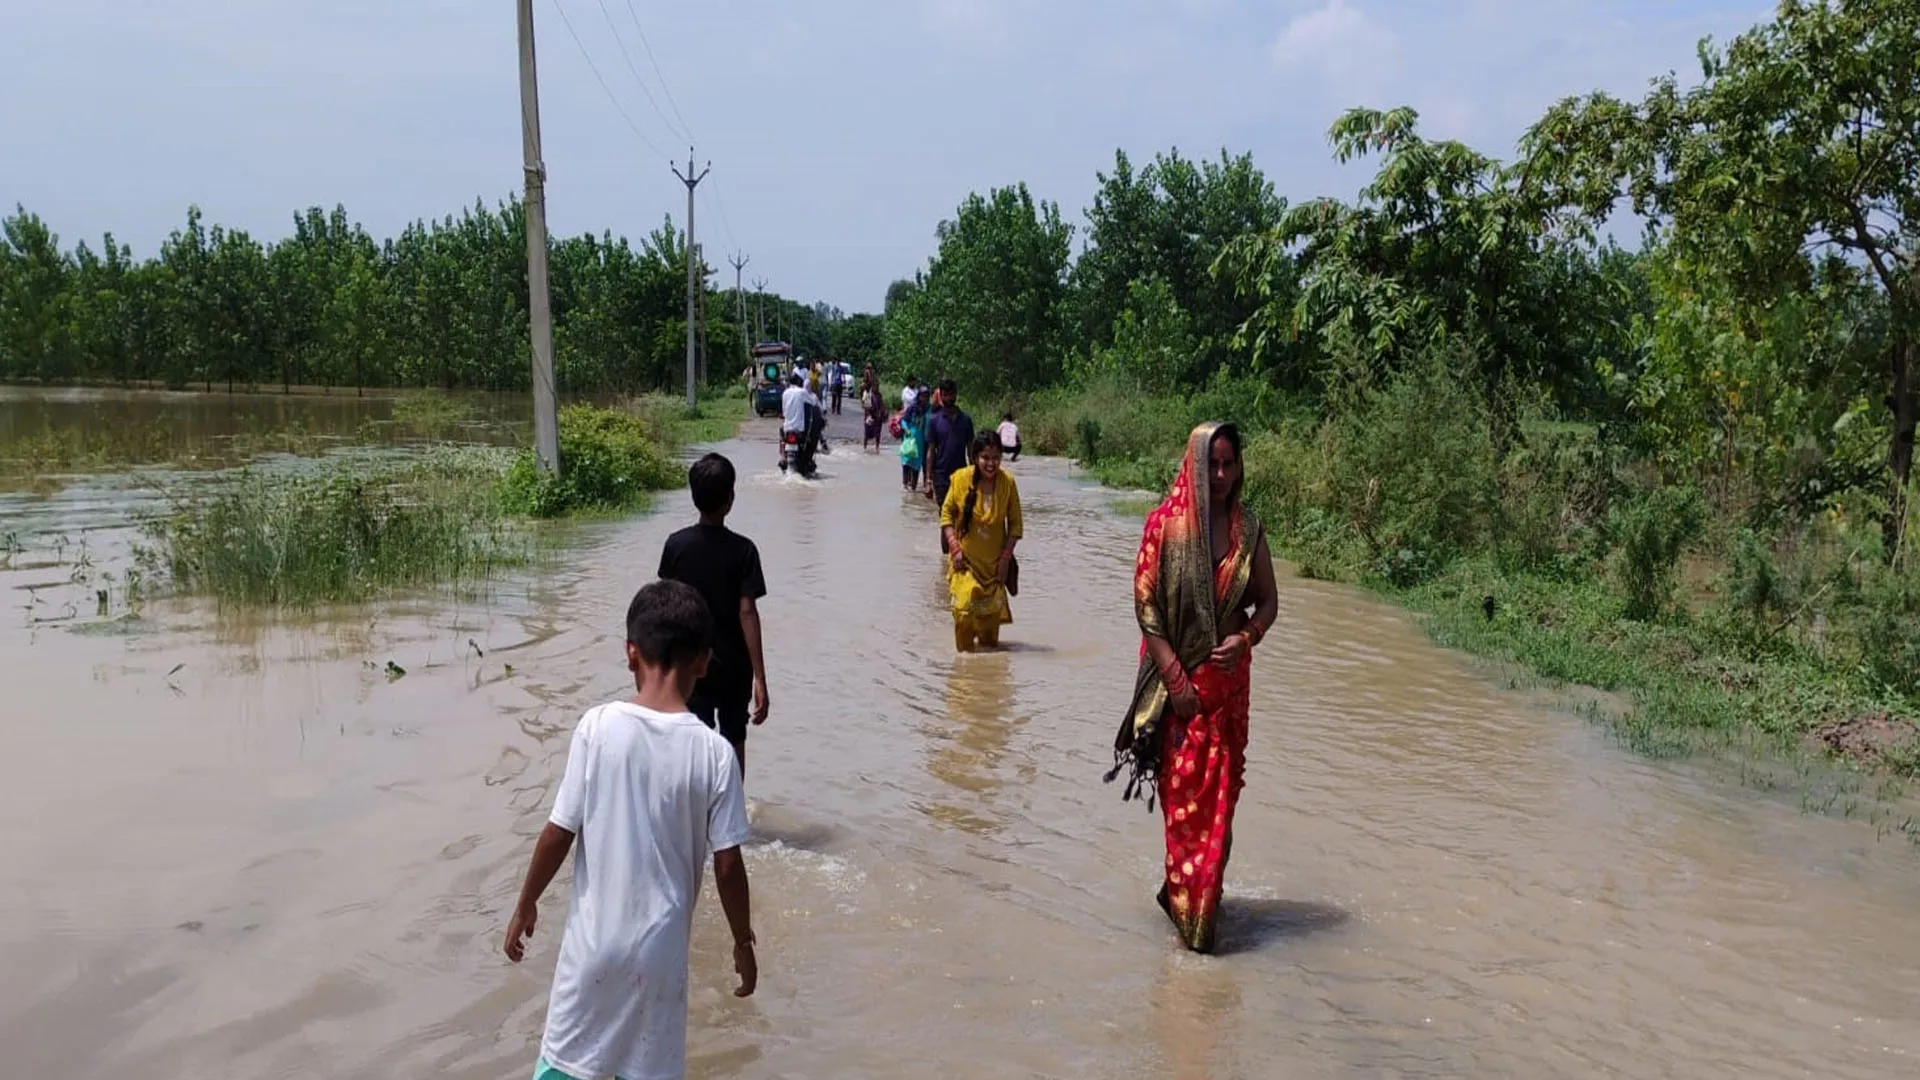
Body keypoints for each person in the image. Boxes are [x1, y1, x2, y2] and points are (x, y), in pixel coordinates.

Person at [503, 579, 758, 1080]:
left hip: (593, 950)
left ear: (630, 653)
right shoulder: (715, 753)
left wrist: (526, 903)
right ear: (704, 661)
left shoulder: (597, 727)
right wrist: (742, 942)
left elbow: (559, 832)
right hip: (661, 956)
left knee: (566, 1065)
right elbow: (728, 865)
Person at [1104, 423, 1278, 955]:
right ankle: (1192, 916)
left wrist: (1246, 638)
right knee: (1184, 807)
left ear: (1239, 467)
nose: (1220, 475)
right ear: (1193, 465)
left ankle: (1201, 904)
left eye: (1229, 464)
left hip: (1228, 692)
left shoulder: (1249, 530)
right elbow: (1146, 607)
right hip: (1179, 692)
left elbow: (1269, 602)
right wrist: (1176, 679)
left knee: (1220, 807)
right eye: (1211, 464)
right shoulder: (1165, 526)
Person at [658, 454, 770, 773]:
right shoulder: (744, 550)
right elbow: (747, 613)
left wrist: (663, 665)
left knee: (695, 743)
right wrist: (760, 678)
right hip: (735, 667)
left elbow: (666, 608)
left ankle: (698, 803)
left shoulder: (676, 546)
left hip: (690, 663)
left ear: (693, 496)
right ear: (730, 499)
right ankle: (732, 804)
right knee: (734, 741)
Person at [940, 434, 1022, 652]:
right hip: (965, 563)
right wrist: (954, 547)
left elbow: (1016, 526)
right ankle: (963, 663)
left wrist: (1005, 560)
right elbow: (946, 515)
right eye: (985, 457)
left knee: (988, 634)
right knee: (963, 611)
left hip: (994, 568)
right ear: (975, 457)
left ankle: (986, 670)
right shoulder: (960, 479)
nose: (991, 463)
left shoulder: (1008, 483)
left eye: (996, 458)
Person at [924, 380, 976, 546]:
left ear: (956, 394)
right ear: (941, 395)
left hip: (962, 475)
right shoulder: (934, 420)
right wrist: (928, 480)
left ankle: (960, 550)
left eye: (951, 394)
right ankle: (947, 553)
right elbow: (931, 451)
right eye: (945, 394)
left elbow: (971, 451)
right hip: (941, 476)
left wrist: (976, 476)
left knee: (963, 514)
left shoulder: (966, 420)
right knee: (946, 514)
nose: (948, 397)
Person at [780, 373, 822, 477]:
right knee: (809, 440)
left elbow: (784, 412)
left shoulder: (785, 393)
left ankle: (783, 457)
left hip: (787, 427)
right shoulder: (802, 392)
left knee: (781, 437)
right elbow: (813, 402)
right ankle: (807, 460)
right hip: (799, 428)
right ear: (799, 382)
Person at [898, 392, 928, 490]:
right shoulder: (912, 408)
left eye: (926, 397)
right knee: (906, 461)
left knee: (917, 464)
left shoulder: (928, 410)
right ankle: (904, 484)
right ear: (919, 397)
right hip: (909, 439)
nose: (924, 399)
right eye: (923, 396)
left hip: (920, 441)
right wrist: (906, 430)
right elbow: (903, 421)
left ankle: (914, 487)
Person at [862, 376, 887, 452]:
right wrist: (869, 415)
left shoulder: (879, 395)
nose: (876, 387)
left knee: (878, 433)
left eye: (877, 385)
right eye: (875, 385)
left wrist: (884, 412)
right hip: (869, 416)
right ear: (872, 386)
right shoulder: (868, 394)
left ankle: (877, 447)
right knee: (867, 433)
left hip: (877, 416)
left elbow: (882, 404)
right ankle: (865, 446)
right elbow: (866, 406)